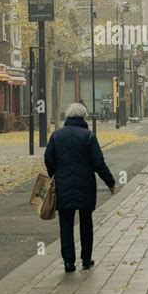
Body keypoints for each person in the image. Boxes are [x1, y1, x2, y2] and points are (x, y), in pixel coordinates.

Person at [44, 102, 116, 273]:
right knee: (86, 222)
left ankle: (69, 262)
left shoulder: (56, 135)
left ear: (67, 117)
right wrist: (110, 182)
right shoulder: (88, 136)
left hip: (64, 184)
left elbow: (48, 158)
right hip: (85, 185)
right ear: (84, 117)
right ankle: (86, 259)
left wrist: (55, 173)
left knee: (66, 223)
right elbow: (99, 163)